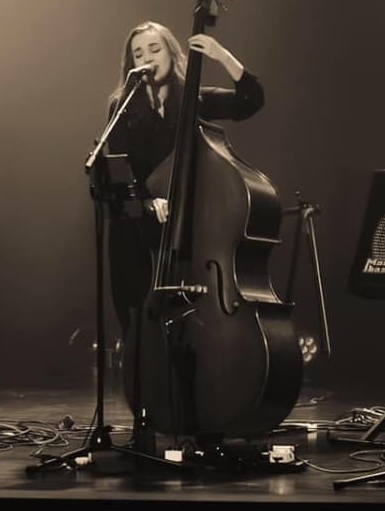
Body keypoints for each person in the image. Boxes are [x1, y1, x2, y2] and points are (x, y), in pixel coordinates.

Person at [100, 21, 263, 335]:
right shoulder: (121, 107)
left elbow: (251, 101)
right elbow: (120, 173)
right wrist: (147, 201)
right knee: (139, 318)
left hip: (189, 229)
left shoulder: (194, 101)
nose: (146, 57)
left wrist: (221, 55)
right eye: (138, 53)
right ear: (131, 64)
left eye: (154, 49)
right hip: (138, 230)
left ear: (172, 54)